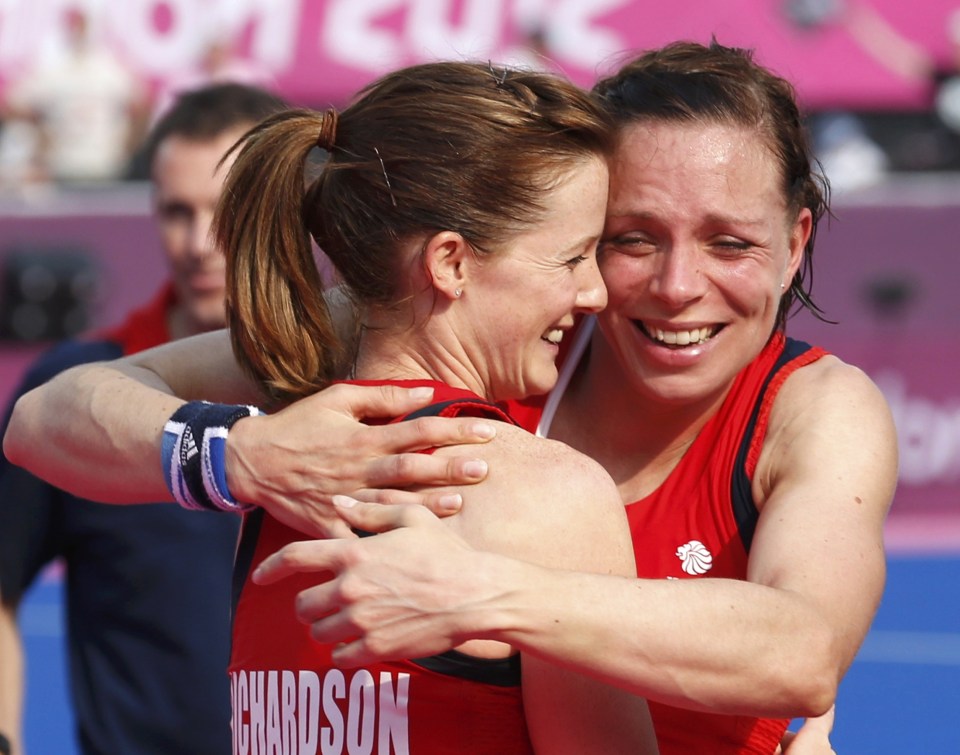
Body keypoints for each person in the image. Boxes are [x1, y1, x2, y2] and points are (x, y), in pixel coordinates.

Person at [1, 40, 897, 753]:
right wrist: (238, 453)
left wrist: (488, 593)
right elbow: (47, 415)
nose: (674, 285)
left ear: (794, 241)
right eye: (621, 240)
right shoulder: (418, 344)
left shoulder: (811, 411)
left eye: (730, 244)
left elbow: (803, 651)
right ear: (455, 263)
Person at [0, 82, 287, 755]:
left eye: (226, 210)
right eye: (176, 212)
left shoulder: (355, 380)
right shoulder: (76, 391)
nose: (199, 241)